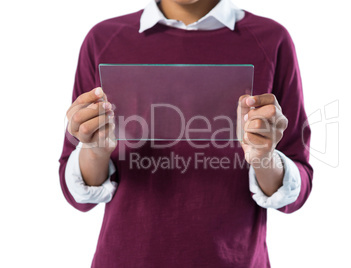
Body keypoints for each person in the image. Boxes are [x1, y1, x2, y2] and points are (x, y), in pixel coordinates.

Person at [59, 0, 313, 267]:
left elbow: (298, 185)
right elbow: (76, 192)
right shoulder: (104, 39)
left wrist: (264, 157)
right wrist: (95, 150)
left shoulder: (271, 40)